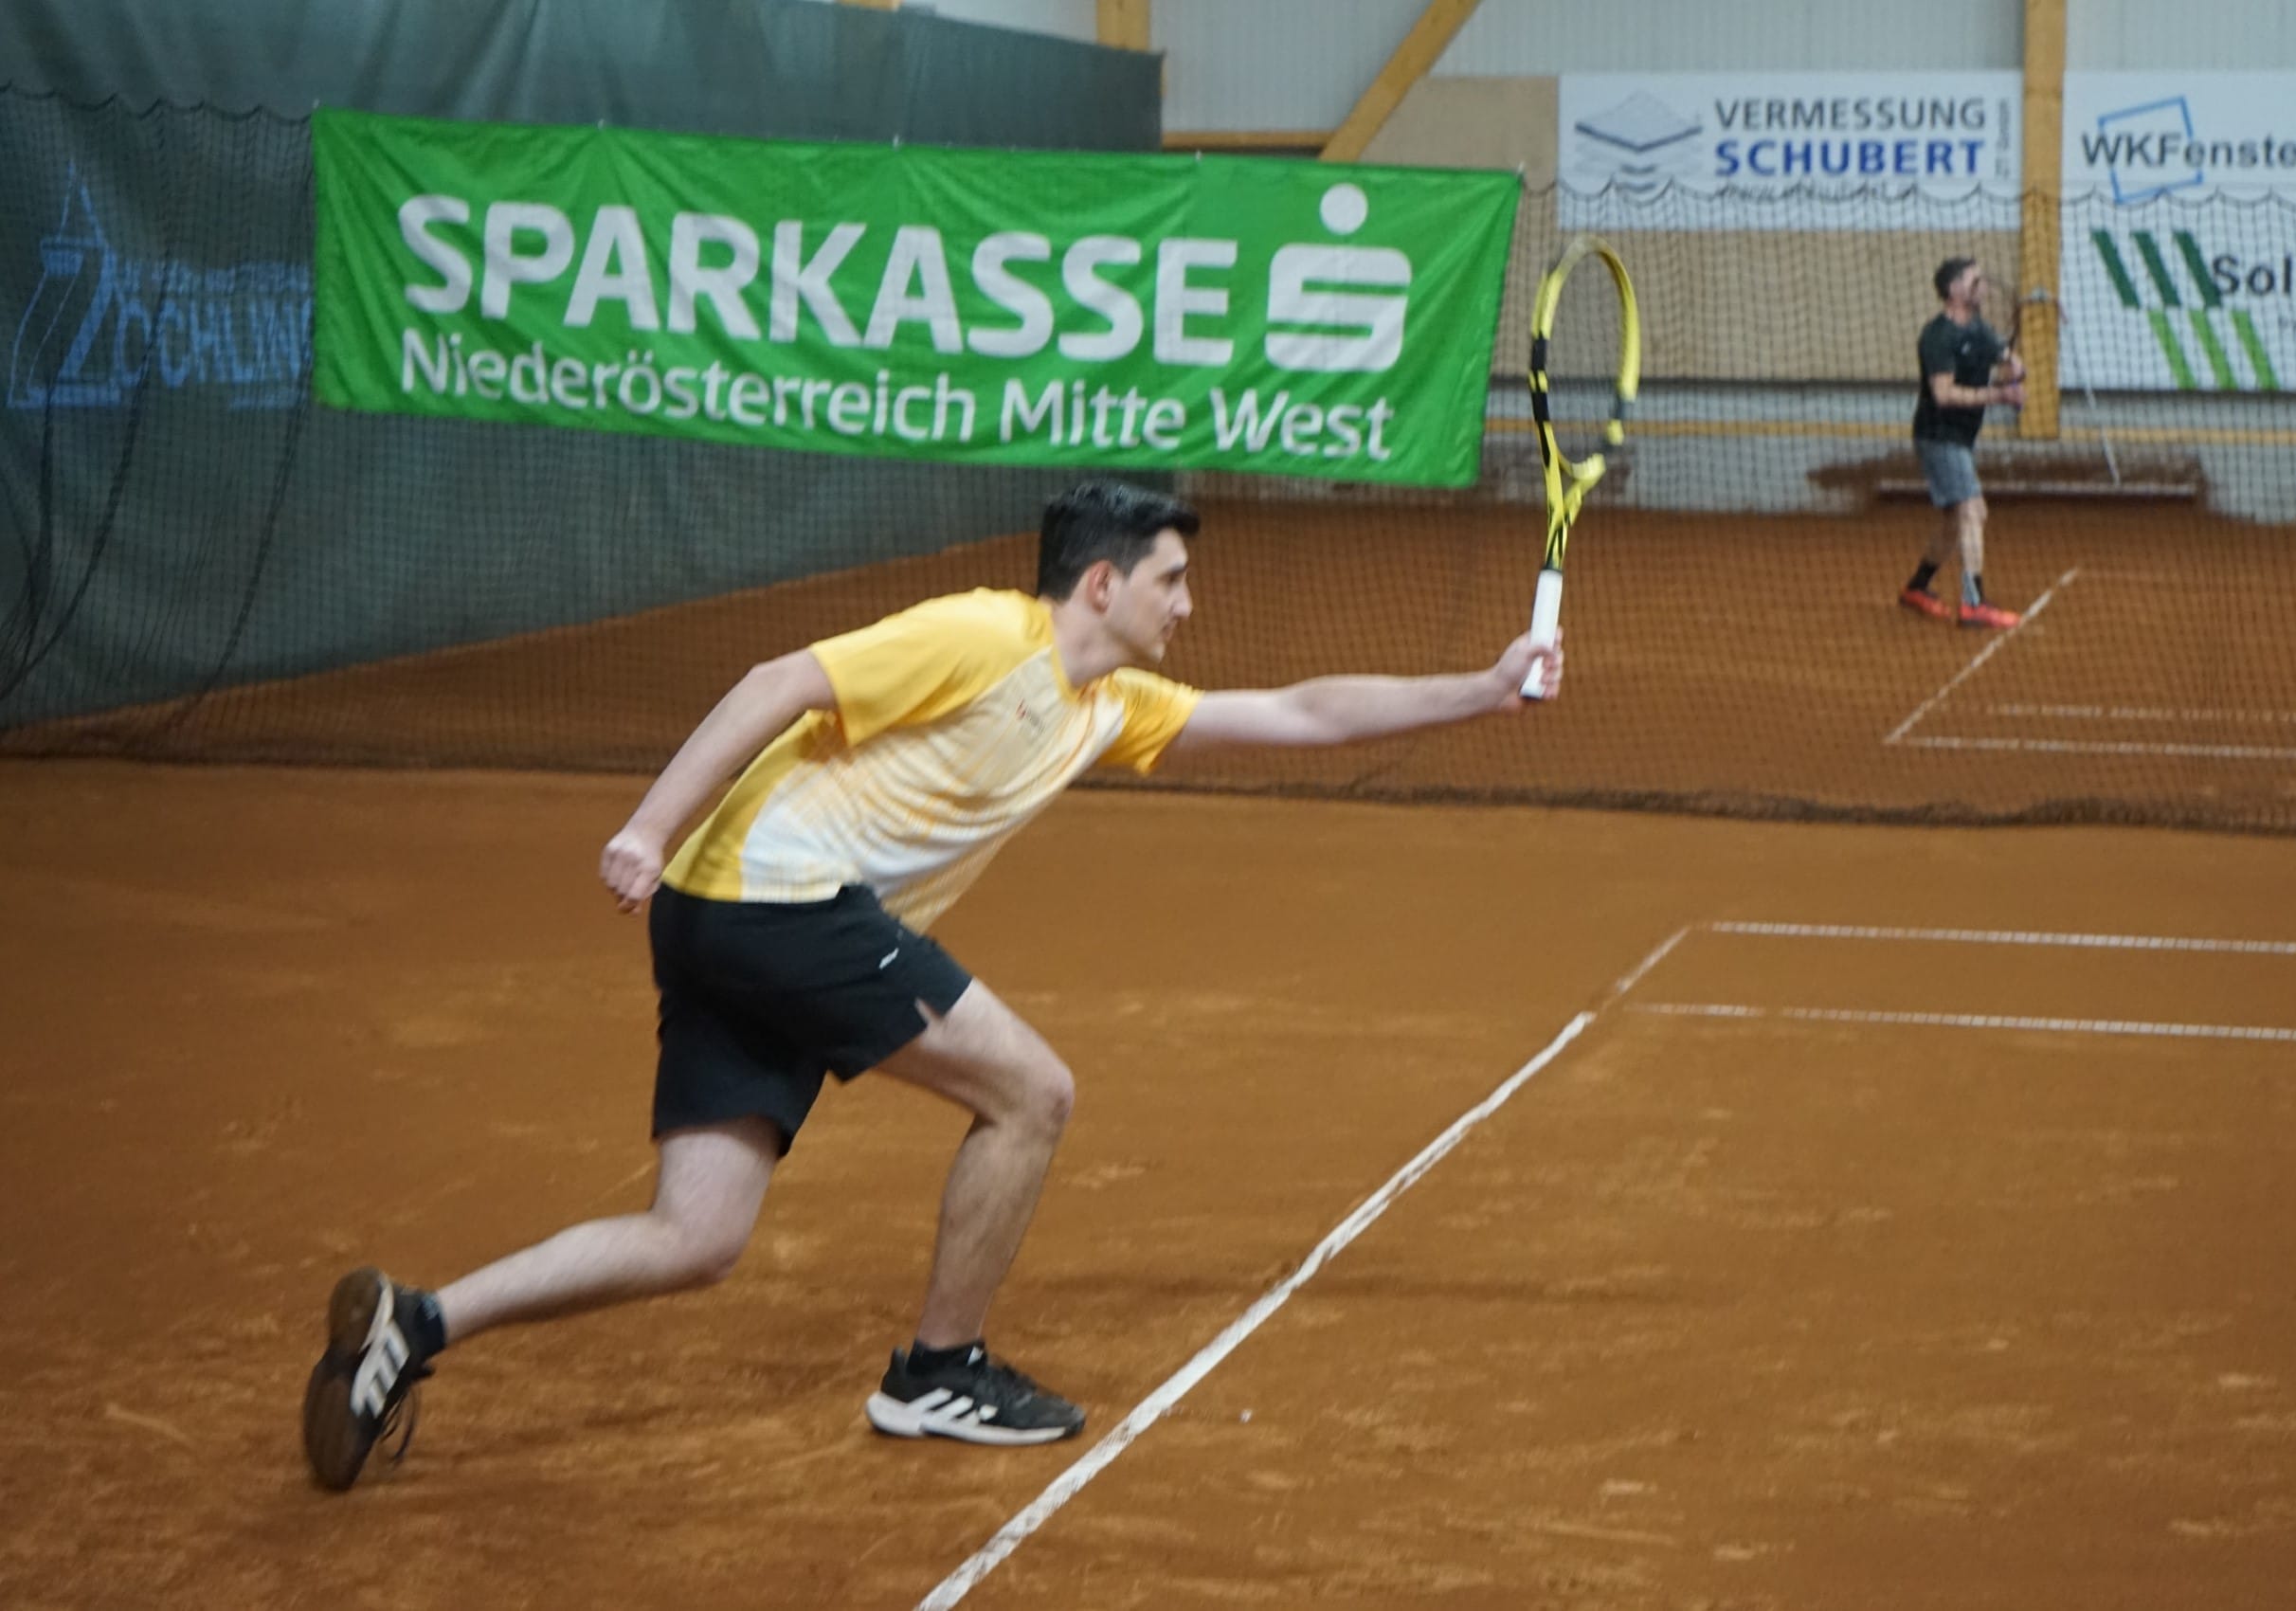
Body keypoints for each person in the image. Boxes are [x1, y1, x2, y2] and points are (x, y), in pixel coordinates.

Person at [300, 479, 1565, 1490]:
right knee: (1031, 1093)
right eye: (1172, 578)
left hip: (726, 918)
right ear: (1104, 582)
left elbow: (1296, 714)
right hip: (777, 901)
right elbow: (778, 683)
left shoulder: (1103, 703)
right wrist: (647, 823)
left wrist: (1480, 689)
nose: (1188, 602)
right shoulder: (982, 636)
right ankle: (938, 1369)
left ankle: (415, 1324)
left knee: (697, 1236)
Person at [1898, 256, 2026, 630]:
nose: (1984, 286)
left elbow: (2007, 358)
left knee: (1954, 520)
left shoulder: (1979, 328)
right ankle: (1974, 604)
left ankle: (1917, 588)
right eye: (1975, 280)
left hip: (1961, 437)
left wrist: (2014, 370)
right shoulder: (1937, 337)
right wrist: (1998, 396)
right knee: (1973, 510)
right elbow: (1944, 394)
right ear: (1954, 290)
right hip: (1938, 436)